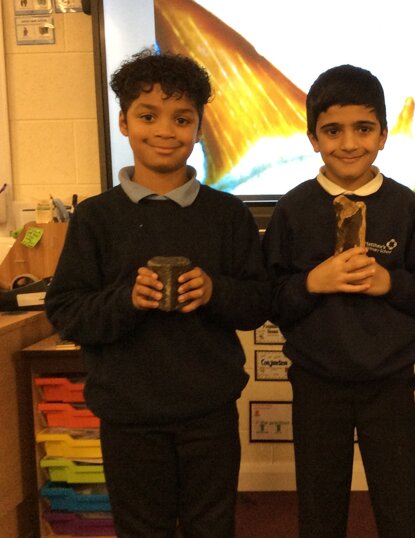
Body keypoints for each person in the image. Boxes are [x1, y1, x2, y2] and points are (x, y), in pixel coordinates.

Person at [45, 49, 270, 537]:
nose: (166, 131)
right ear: (124, 123)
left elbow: (257, 303)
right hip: (128, 415)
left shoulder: (228, 215)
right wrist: (126, 299)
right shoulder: (96, 218)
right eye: (149, 116)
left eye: (182, 119)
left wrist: (213, 291)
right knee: (142, 529)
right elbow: (65, 311)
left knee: (212, 526)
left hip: (208, 412)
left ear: (199, 129)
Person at [262, 64, 415, 538]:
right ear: (312, 138)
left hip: (390, 381)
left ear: (383, 135)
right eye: (332, 130)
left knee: (401, 504)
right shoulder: (292, 209)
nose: (348, 143)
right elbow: (270, 301)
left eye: (363, 129)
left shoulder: (406, 206)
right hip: (316, 381)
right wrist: (311, 283)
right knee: (319, 505)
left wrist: (390, 283)